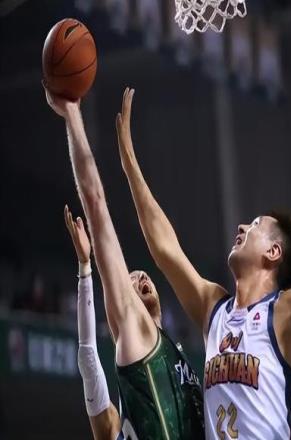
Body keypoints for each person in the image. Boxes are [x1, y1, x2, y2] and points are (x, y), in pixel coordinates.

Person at [116, 87, 291, 438]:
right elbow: (165, 249)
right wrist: (130, 165)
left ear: (273, 253)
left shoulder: (286, 312)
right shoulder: (214, 308)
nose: (241, 227)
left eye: (254, 226)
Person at [44, 85, 204, 439]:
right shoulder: (133, 331)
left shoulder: (174, 353)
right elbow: (95, 202)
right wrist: (72, 114)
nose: (140, 275)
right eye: (129, 279)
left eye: (141, 275)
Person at [64, 205, 121, 440]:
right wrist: (85, 265)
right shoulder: (117, 423)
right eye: (134, 279)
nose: (141, 278)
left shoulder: (176, 372)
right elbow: (87, 357)